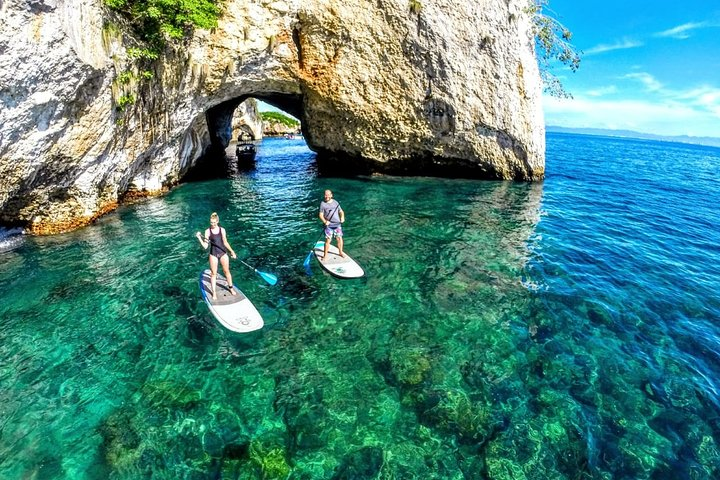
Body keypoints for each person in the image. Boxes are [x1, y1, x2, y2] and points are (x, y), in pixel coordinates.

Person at [195, 212, 237, 300]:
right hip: (213, 254)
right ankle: (214, 293)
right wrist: (199, 238)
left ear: (217, 221)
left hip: (223, 253)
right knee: (213, 274)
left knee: (227, 272)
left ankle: (231, 288)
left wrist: (232, 252)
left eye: (214, 222)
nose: (212, 224)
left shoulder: (222, 230)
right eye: (211, 222)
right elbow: (206, 246)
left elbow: (225, 242)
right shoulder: (207, 231)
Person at [318, 189, 346, 260]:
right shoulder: (322, 204)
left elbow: (341, 211)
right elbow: (320, 215)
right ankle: (325, 256)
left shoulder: (336, 202)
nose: (326, 196)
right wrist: (325, 221)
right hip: (328, 226)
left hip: (337, 225)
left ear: (331, 195)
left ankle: (340, 252)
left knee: (339, 239)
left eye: (327, 195)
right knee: (328, 240)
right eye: (325, 195)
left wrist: (342, 217)